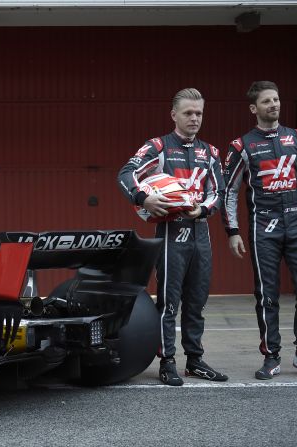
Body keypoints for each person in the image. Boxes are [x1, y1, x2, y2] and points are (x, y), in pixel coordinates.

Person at [221, 81, 297, 381]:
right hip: (264, 228)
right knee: (267, 295)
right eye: (266, 101)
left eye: (276, 99)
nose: (274, 105)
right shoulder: (242, 145)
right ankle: (271, 355)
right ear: (253, 108)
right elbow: (229, 192)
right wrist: (232, 230)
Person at [117, 88, 227, 386]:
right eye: (188, 113)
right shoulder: (158, 147)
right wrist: (144, 199)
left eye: (199, 113)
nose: (194, 118)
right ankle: (167, 360)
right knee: (169, 302)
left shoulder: (211, 152)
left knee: (197, 301)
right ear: (174, 115)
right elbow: (125, 174)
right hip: (170, 231)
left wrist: (202, 209)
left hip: (200, 233)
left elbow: (219, 193)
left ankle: (195, 360)